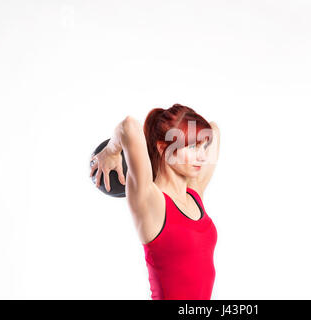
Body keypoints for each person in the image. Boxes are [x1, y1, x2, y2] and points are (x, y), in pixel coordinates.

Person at [89, 103, 221, 300]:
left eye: (203, 146)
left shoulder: (194, 194)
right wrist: (111, 152)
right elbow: (129, 126)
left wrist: (188, 127)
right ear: (162, 148)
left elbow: (215, 130)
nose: (202, 157)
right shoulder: (150, 200)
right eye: (193, 147)